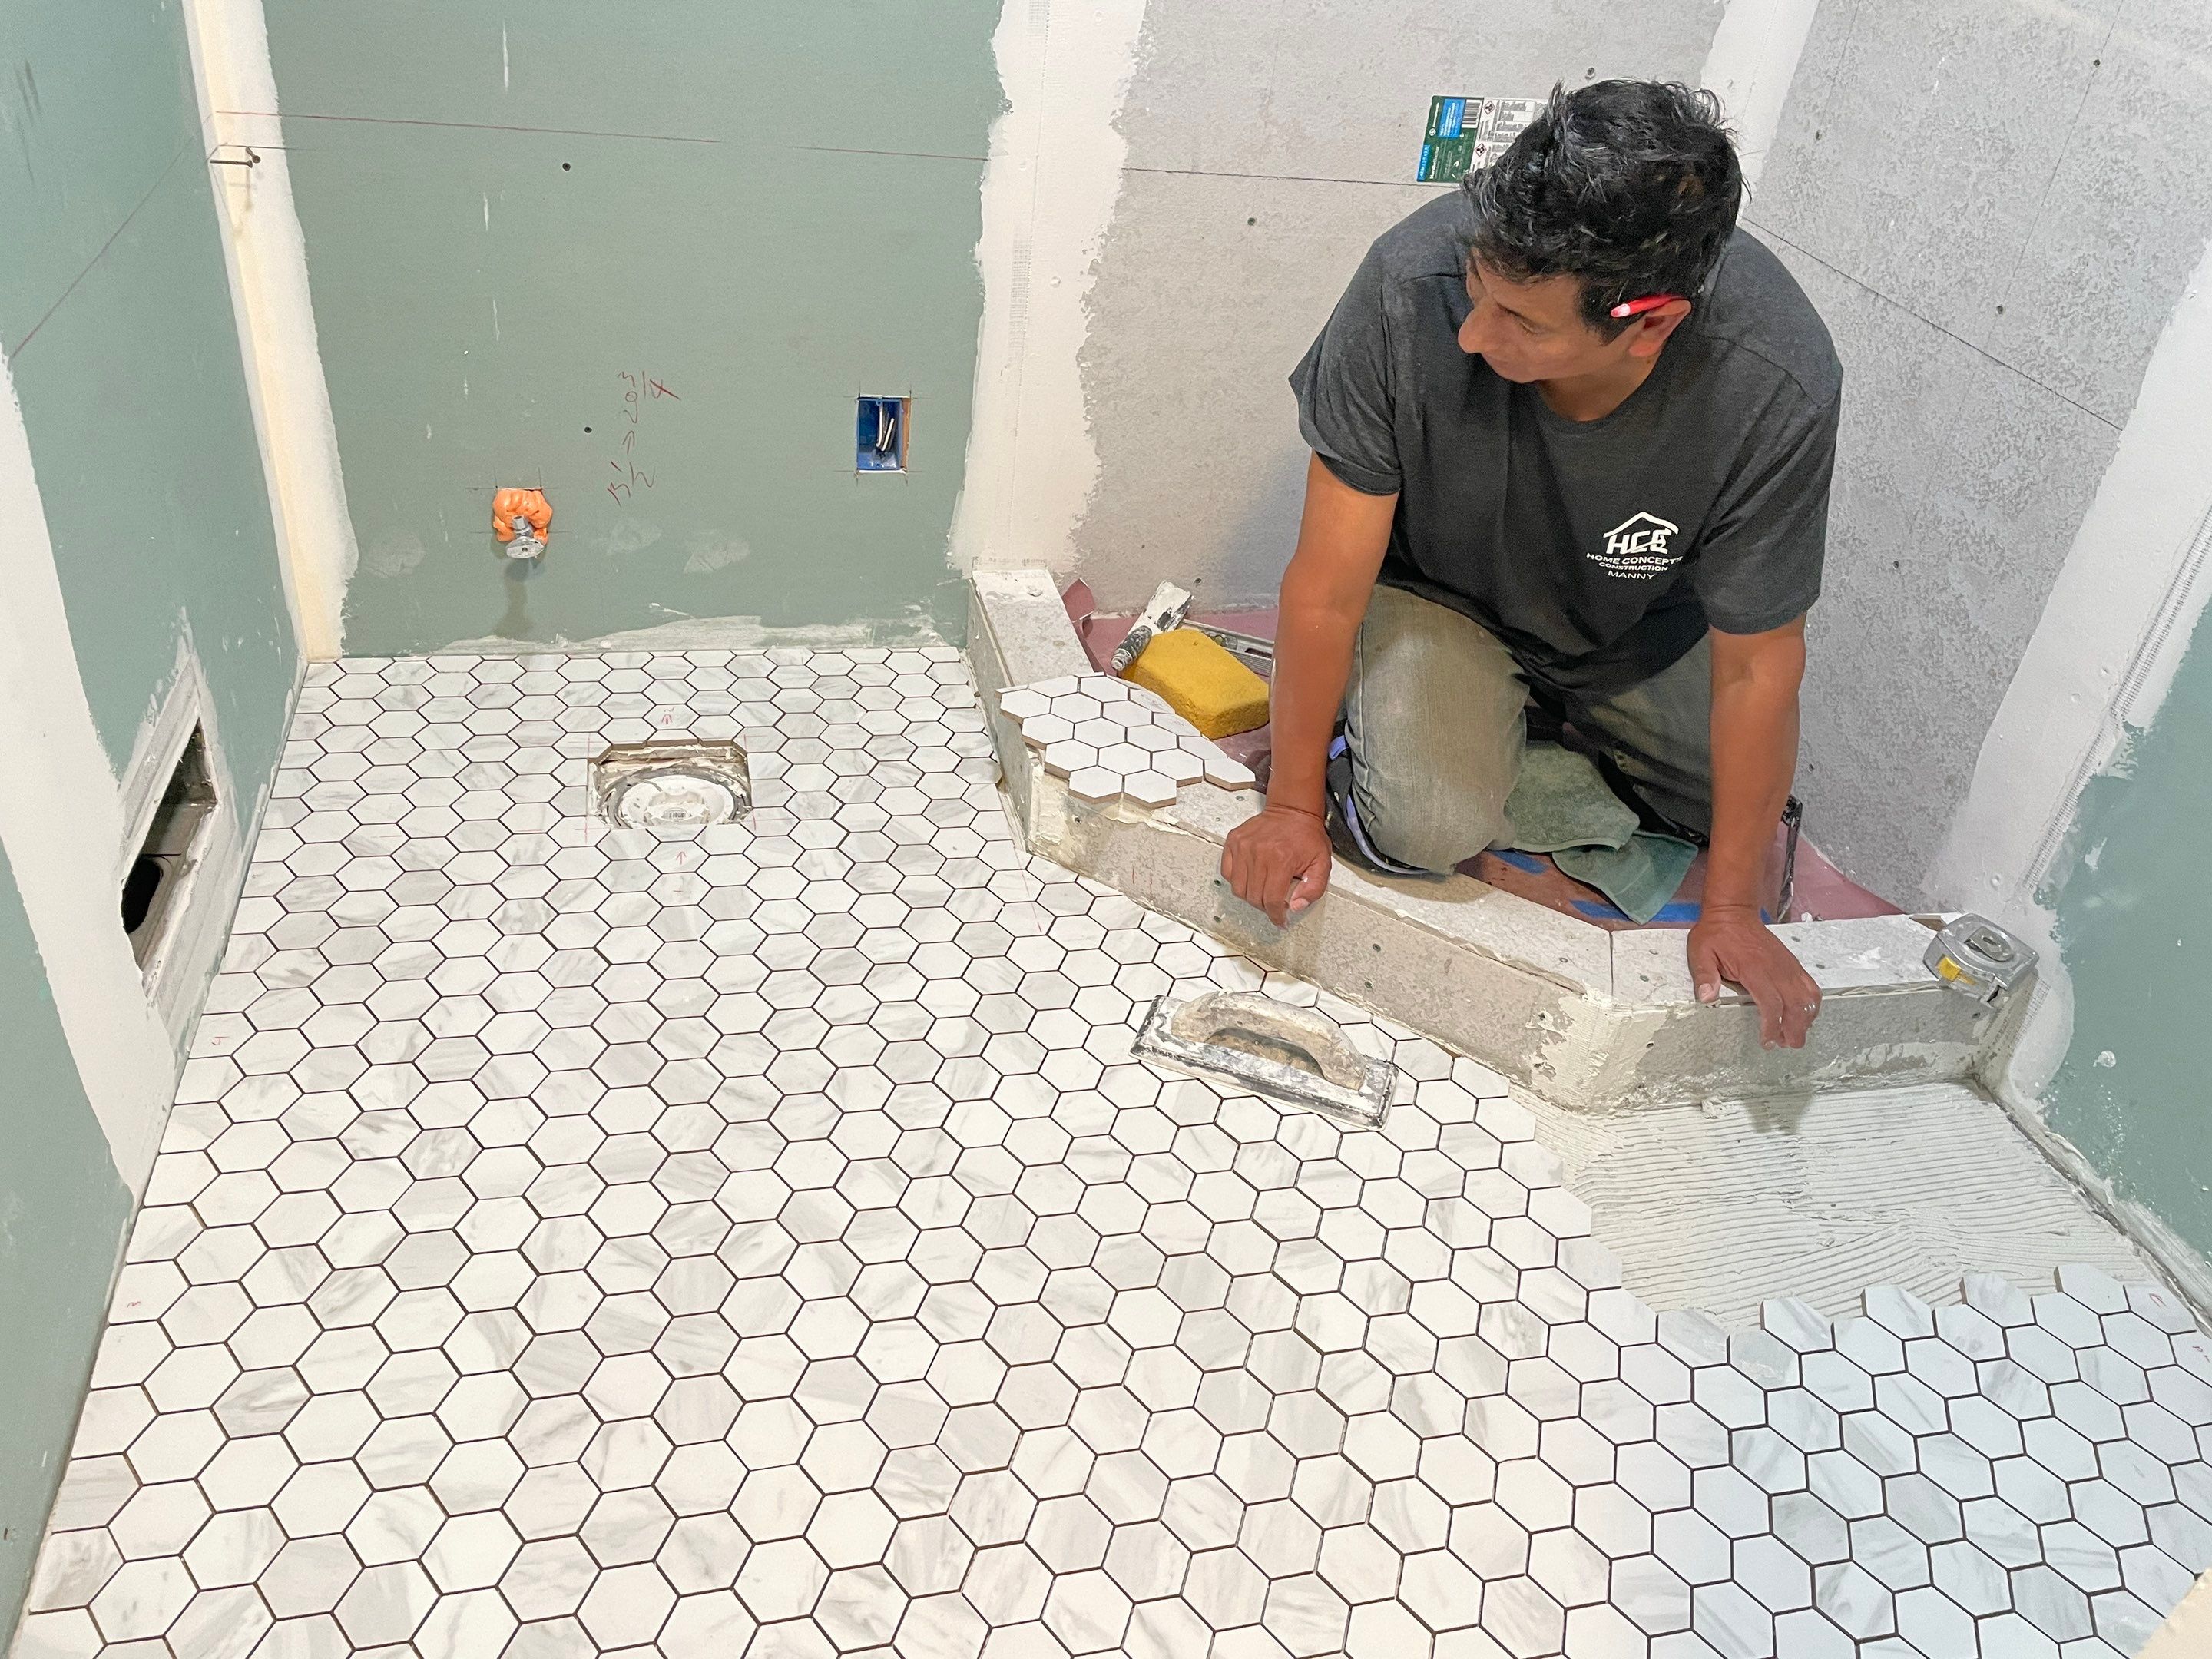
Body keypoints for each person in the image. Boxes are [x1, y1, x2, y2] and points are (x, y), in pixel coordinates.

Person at [1219, 78, 1840, 1050]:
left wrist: (1729, 915)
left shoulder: (1773, 383)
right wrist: (1293, 804)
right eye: (1477, 287)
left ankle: (1528, 732)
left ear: (1652, 322)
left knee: (1736, 821)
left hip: (1633, 630)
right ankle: (1457, 725)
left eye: (1523, 323)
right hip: (1443, 599)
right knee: (1419, 826)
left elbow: (1760, 665)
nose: (1473, 334)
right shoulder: (1405, 282)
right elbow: (1328, 583)